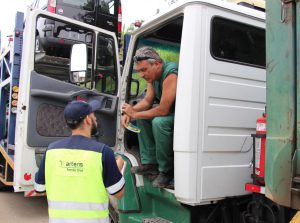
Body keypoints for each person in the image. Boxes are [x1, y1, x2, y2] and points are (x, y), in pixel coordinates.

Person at [34, 100, 125, 223]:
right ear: (88, 119)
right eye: (94, 115)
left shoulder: (51, 151)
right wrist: (117, 168)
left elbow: (39, 189)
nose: (96, 119)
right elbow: (118, 194)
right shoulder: (103, 152)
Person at [121, 46, 178, 188]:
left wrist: (134, 113)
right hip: (171, 114)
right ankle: (150, 163)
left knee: (159, 122)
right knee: (142, 117)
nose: (141, 75)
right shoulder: (153, 77)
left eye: (144, 70)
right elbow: (147, 101)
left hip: (184, 116)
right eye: (139, 71)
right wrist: (130, 112)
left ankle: (166, 171)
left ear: (157, 64)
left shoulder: (170, 74)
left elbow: (163, 110)